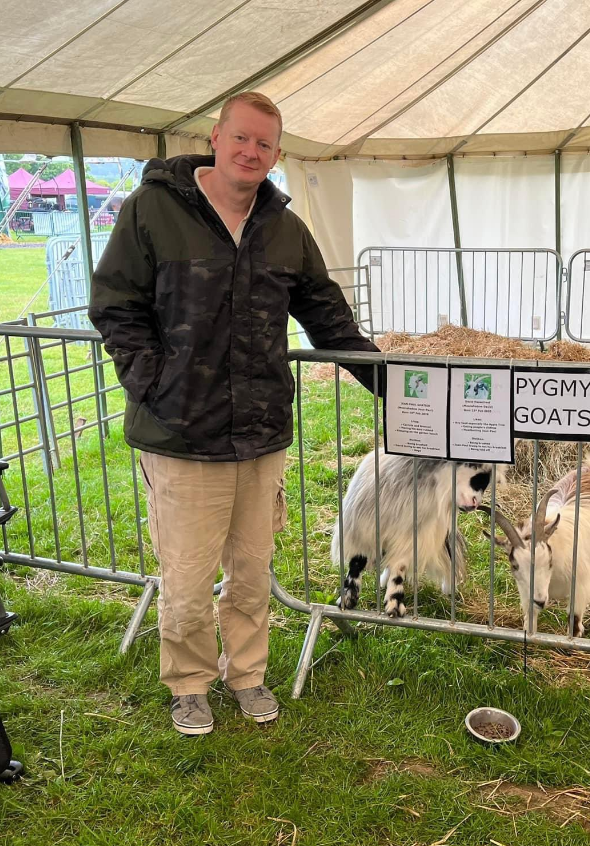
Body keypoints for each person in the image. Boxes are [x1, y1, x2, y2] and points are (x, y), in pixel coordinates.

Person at [89, 91, 381, 736]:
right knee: (188, 577)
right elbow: (116, 304)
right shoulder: (153, 210)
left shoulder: (284, 227)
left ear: (276, 155)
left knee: (252, 569)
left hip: (259, 433)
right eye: (242, 138)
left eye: (265, 144)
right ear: (216, 138)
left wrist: (396, 386)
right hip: (179, 433)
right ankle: (189, 683)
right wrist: (152, 381)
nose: (252, 152)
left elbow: (328, 318)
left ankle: (246, 673)